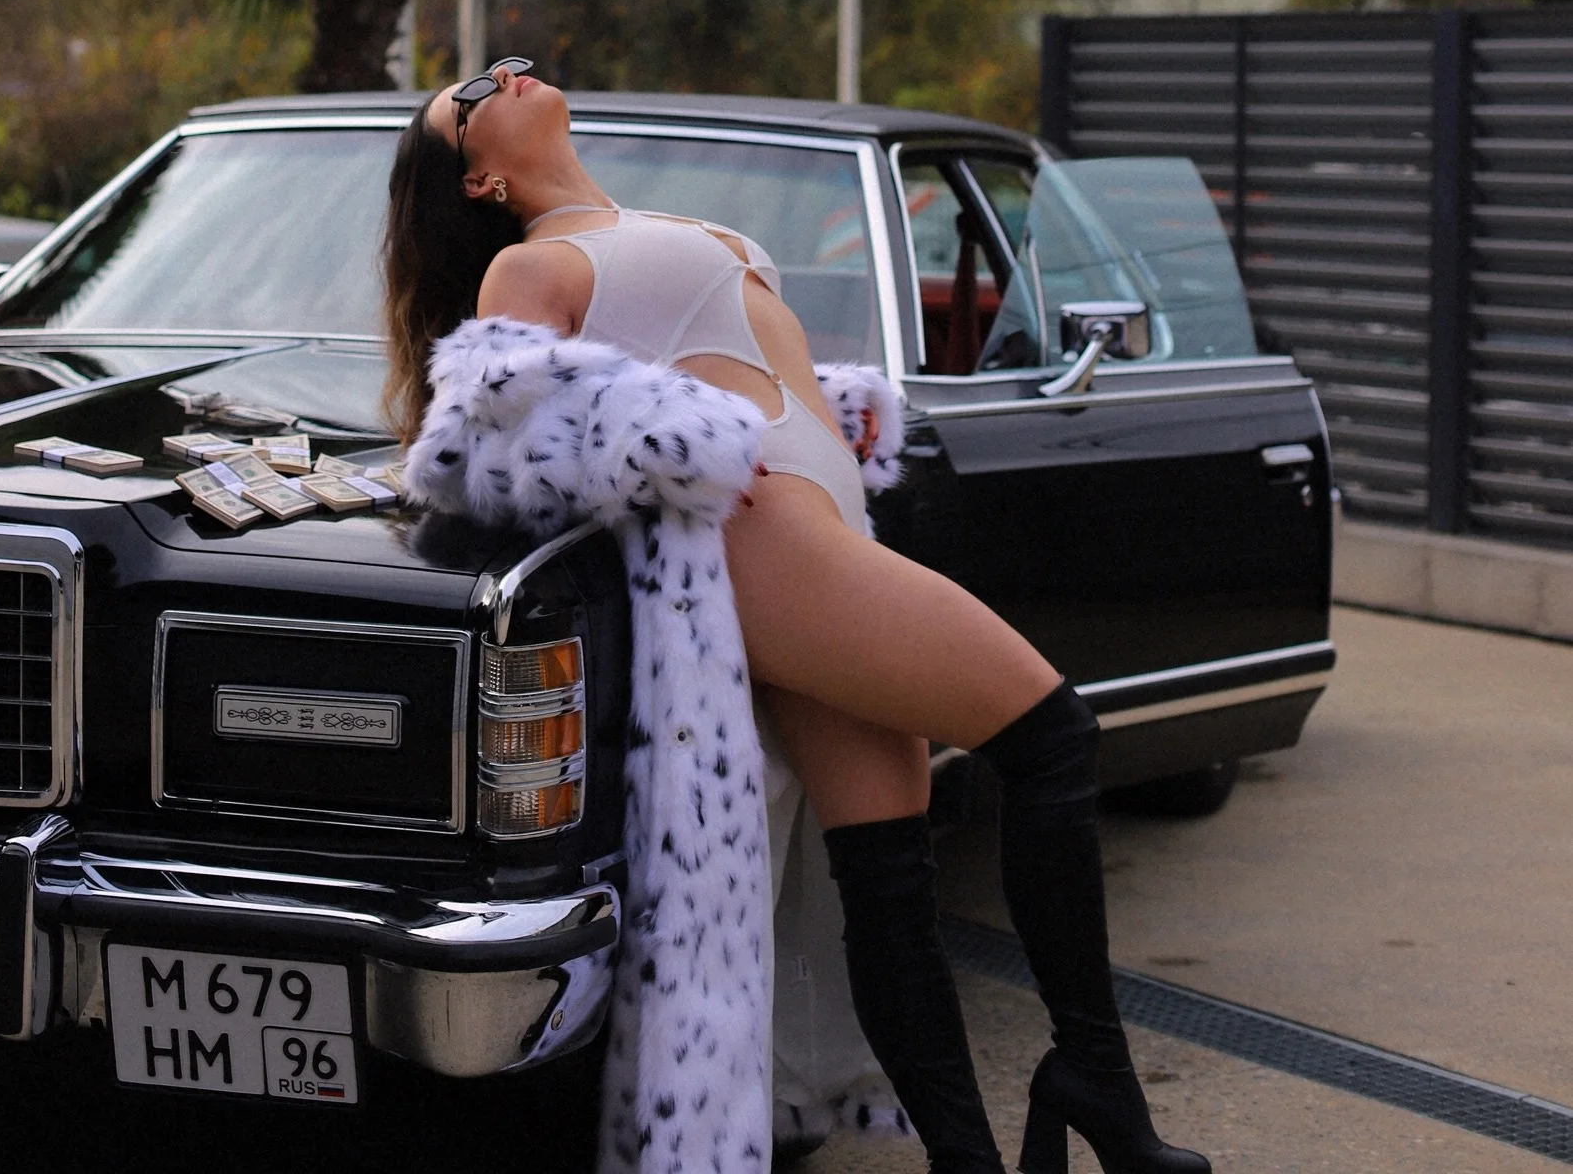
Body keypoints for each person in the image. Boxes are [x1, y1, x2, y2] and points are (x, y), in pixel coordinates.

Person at [384, 61, 1210, 1174]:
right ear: (479, 178)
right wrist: (663, 439)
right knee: (1052, 736)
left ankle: (971, 1159)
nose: (513, 73)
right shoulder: (528, 264)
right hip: (767, 538)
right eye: (479, 89)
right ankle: (1095, 1082)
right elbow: (489, 446)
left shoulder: (636, 223)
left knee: (888, 870)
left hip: (822, 517)